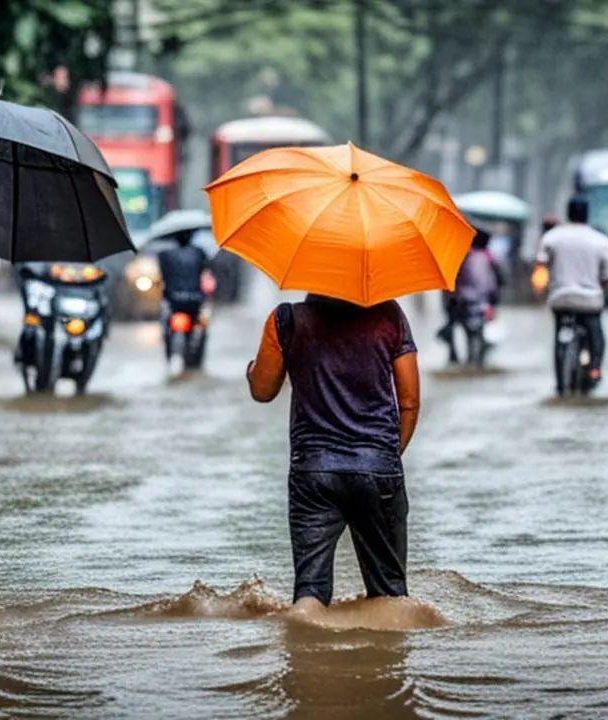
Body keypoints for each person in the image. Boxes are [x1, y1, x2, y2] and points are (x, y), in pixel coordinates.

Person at [246, 294, 420, 612]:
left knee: (310, 592)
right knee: (391, 597)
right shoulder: (389, 315)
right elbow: (409, 402)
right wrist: (386, 456)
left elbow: (263, 390)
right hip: (378, 466)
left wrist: (252, 371)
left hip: (312, 471)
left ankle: (303, 639)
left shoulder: (286, 320)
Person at [535, 196, 608, 393]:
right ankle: (594, 369)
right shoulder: (600, 240)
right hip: (590, 300)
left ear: (568, 213)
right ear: (587, 214)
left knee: (559, 336)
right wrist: (603, 287)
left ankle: (560, 383)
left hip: (560, 299)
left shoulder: (552, 237)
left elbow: (540, 266)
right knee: (596, 337)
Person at [438, 228, 503, 365]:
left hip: (461, 299)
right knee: (473, 329)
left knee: (460, 327)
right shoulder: (487, 257)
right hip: (481, 300)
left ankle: (459, 357)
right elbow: (499, 280)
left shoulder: (463, 256)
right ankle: (474, 359)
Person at [156, 230, 211, 358]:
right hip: (194, 300)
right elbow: (205, 271)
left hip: (173, 300)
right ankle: (192, 351)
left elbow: (163, 275)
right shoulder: (199, 252)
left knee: (166, 324)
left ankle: (169, 351)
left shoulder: (164, 255)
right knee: (198, 325)